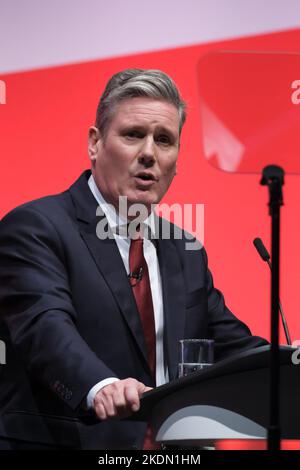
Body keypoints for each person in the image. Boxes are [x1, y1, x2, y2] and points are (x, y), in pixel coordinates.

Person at [0, 69, 267, 450]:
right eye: (132, 135)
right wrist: (102, 386)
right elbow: (47, 330)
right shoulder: (36, 228)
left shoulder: (183, 249)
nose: (149, 153)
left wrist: (290, 363)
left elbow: (233, 349)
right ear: (95, 143)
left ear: (177, 160)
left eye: (164, 140)